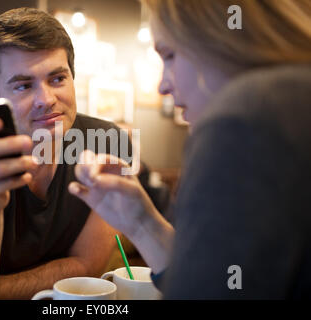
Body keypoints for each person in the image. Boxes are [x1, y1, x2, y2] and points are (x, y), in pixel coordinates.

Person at [68, 0, 311, 299]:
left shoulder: (245, 119)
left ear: (222, 40)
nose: (162, 86)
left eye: (169, 55)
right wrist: (141, 223)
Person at [0, 8, 125, 299]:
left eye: (57, 79)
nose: (46, 100)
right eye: (23, 85)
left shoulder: (106, 141)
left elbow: (88, 267)